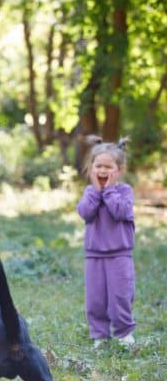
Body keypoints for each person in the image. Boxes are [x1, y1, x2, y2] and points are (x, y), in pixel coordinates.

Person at [76, 135, 136, 349]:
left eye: (108, 167)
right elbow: (85, 213)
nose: (103, 170)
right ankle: (99, 335)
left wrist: (109, 190)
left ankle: (124, 333)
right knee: (95, 300)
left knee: (120, 297)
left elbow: (120, 212)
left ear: (119, 170)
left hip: (120, 254)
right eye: (98, 165)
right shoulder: (90, 193)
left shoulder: (124, 192)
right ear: (91, 169)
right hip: (94, 255)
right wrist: (97, 192)